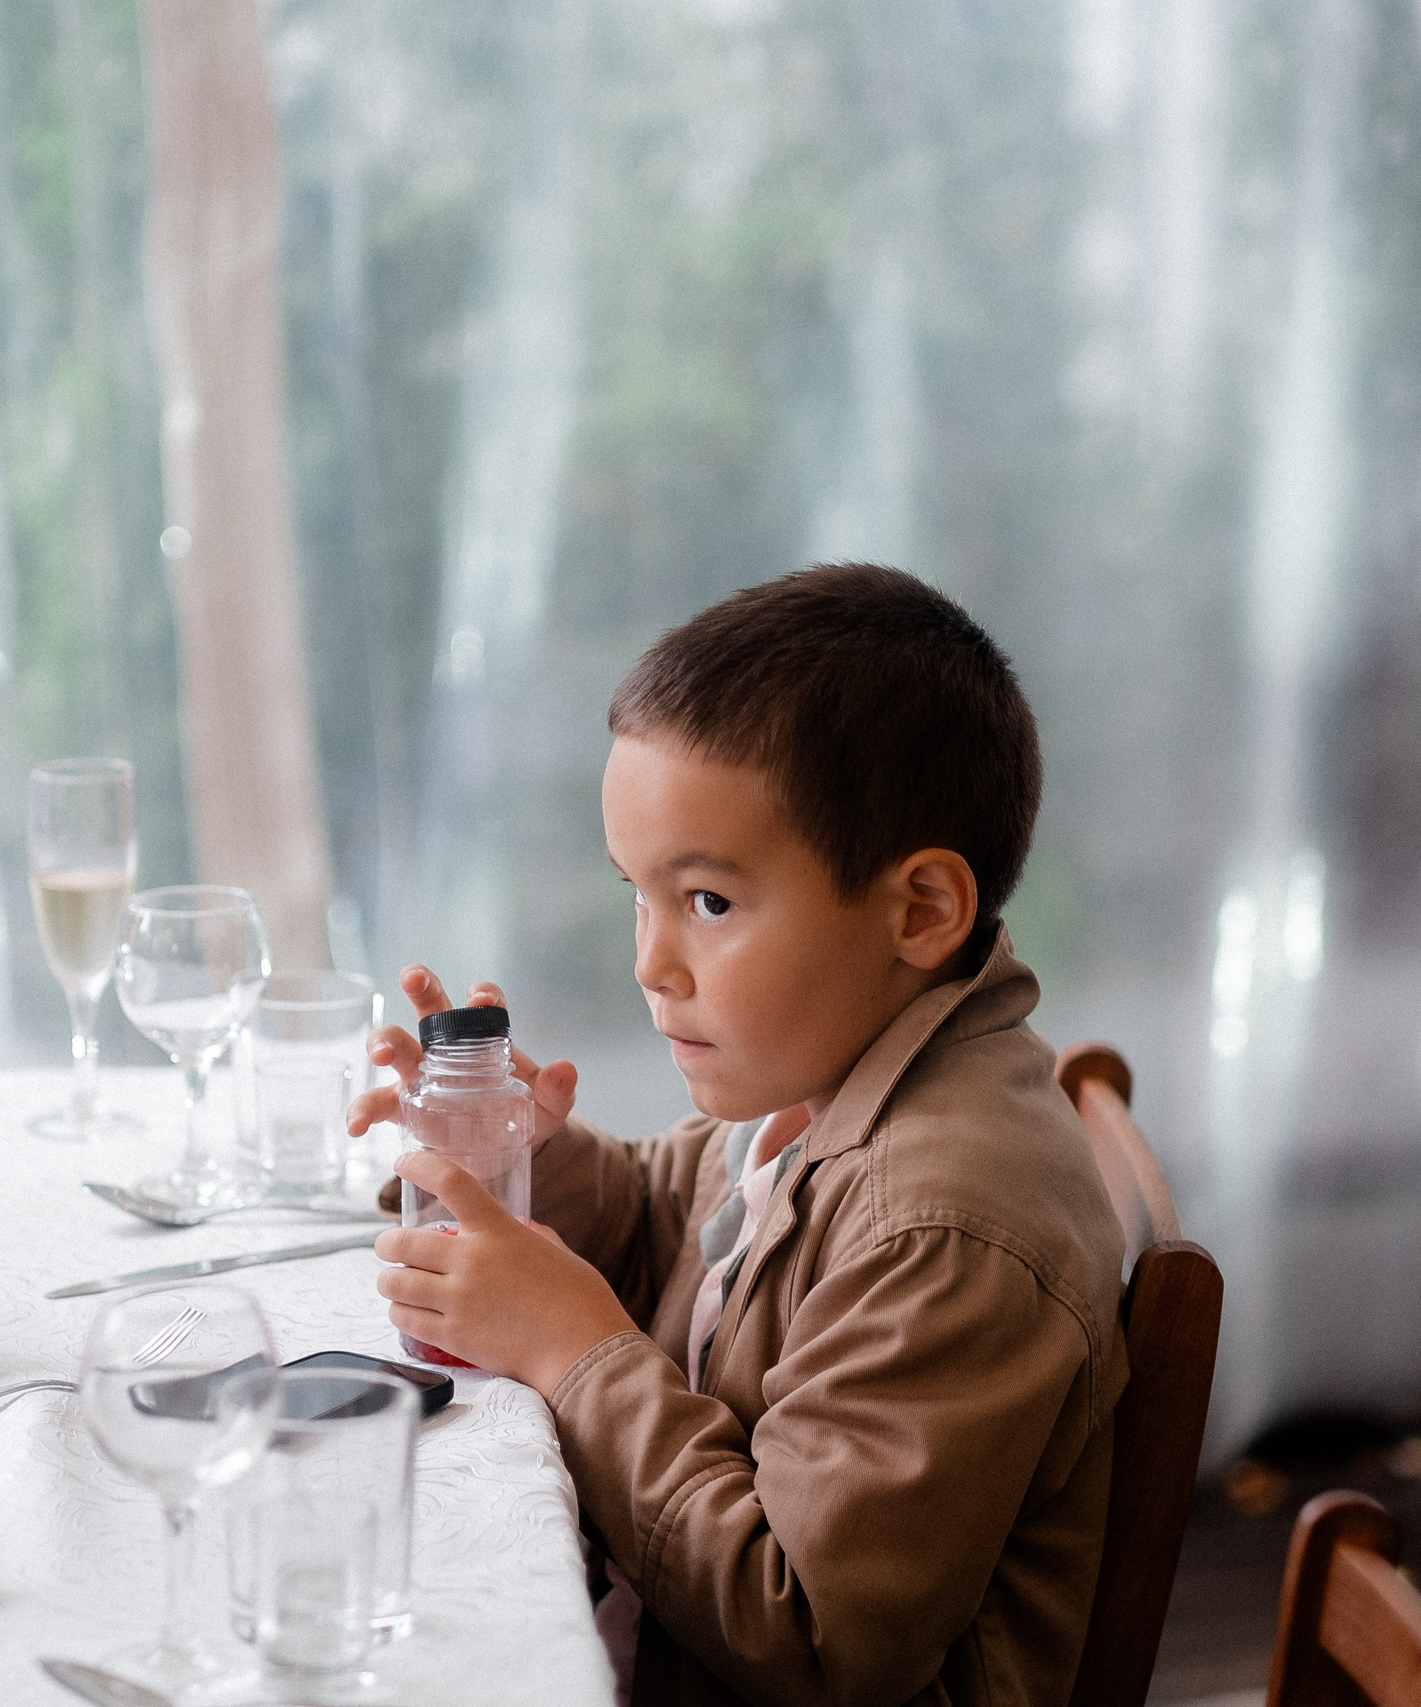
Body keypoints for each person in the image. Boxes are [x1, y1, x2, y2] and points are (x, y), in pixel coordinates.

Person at [356, 563, 1128, 1707]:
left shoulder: (944, 1228)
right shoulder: (826, 1077)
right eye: (638, 894)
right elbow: (676, 1221)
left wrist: (572, 1355)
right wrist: (511, 1155)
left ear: (919, 911)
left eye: (707, 903)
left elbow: (809, 1635)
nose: (649, 965)